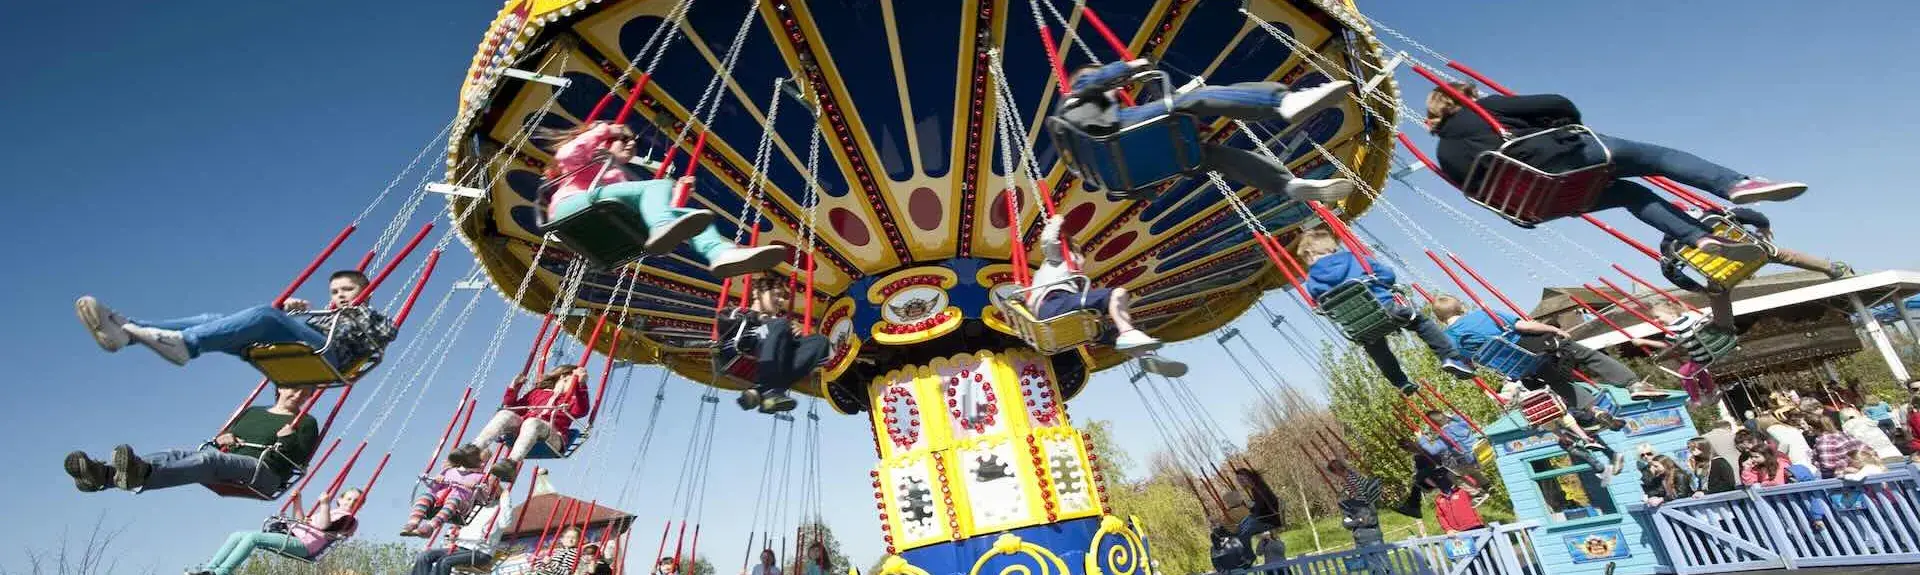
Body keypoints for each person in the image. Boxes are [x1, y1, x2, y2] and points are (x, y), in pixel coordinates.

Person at [1425, 82, 1805, 262]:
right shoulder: (1484, 109)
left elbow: (1479, 193)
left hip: (1542, 201)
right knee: (1656, 157)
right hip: (1569, 160)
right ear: (1463, 98)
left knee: (1630, 194)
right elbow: (1559, 102)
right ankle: (1736, 184)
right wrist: (1560, 120)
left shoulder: (1445, 154)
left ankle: (1698, 239)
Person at [1055, 59, 1358, 202]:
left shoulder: (1074, 133)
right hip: (1120, 136)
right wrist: (1132, 66)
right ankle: (1283, 102)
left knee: (1212, 157)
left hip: (1132, 174)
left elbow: (1138, 193)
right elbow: (1092, 81)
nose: (1117, 93)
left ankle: (1287, 186)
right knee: (1193, 99)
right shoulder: (1078, 96)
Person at [538, 121, 788, 278]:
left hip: (605, 213)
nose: (631, 143)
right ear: (604, 141)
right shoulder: (586, 160)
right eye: (624, 139)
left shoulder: (619, 179)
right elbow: (567, 154)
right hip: (572, 207)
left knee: (695, 218)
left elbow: (654, 211)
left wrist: (679, 194)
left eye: (633, 143)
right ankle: (662, 229)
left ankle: (721, 254)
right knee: (657, 187)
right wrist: (603, 130)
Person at [74, 270, 397, 371]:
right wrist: (294, 313)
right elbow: (295, 329)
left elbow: (386, 334)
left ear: (365, 291)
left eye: (347, 290)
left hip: (328, 357)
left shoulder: (373, 317)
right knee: (212, 318)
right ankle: (127, 331)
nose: (340, 295)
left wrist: (352, 311)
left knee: (264, 314)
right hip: (298, 347)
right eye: (335, 290)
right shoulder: (322, 314)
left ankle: (187, 344)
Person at [1432, 295, 1654, 429]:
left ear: (1440, 318)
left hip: (1518, 368)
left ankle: (1595, 411)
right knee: (1587, 355)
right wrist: (1552, 327)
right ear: (1460, 306)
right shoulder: (1482, 315)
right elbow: (1524, 326)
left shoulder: (1448, 339)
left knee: (1558, 383)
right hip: (1535, 347)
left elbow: (1467, 365)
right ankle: (1633, 384)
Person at [1294, 229, 1474, 395]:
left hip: (1357, 325)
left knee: (1375, 346)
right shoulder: (1353, 258)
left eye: (1305, 259)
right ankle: (1450, 357)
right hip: (1385, 309)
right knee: (1420, 322)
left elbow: (1322, 304)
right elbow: (1387, 275)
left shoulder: (1312, 281)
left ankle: (1400, 382)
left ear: (1310, 254)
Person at [65, 385, 320, 495]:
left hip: (265, 473)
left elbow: (299, 461)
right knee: (174, 454)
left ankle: (140, 475)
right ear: (279, 388)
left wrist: (287, 440)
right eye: (292, 387)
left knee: (209, 461)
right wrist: (224, 437)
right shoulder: (253, 412)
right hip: (231, 460)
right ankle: (104, 476)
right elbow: (221, 439)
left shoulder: (306, 422)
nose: (297, 393)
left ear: (309, 395)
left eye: (304, 391)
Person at [1024, 214, 1186, 377]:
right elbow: (1048, 241)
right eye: (1079, 258)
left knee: (1106, 330)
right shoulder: (1057, 257)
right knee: (1118, 293)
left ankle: (1144, 355)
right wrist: (1055, 222)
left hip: (1058, 313)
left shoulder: (1068, 281)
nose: (1081, 264)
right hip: (1054, 304)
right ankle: (1128, 333)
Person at [188, 489, 360, 575]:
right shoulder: (331, 511)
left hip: (306, 546)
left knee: (253, 538)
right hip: (293, 536)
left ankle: (222, 572)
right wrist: (297, 502)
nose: (351, 503)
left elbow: (322, 526)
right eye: (349, 498)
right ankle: (209, 570)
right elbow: (301, 521)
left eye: (356, 501)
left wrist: (324, 504)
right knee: (238, 534)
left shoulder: (348, 519)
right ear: (340, 499)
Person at [728, 272, 830, 414]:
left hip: (773, 355)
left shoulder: (777, 325)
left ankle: (762, 391)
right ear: (757, 293)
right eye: (777, 295)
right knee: (780, 323)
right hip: (746, 342)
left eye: (783, 297)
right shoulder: (740, 314)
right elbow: (729, 329)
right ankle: (770, 391)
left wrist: (795, 338)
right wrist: (768, 322)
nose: (781, 301)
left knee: (820, 341)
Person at [468, 365, 590, 481]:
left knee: (533, 422)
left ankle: (510, 463)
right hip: (525, 429)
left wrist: (581, 385)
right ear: (563, 376)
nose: (574, 386)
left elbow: (581, 410)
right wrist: (513, 388)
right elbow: (512, 407)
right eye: (574, 381)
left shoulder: (573, 399)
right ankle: (474, 449)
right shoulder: (537, 393)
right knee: (505, 414)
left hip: (553, 438)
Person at [408, 487, 516, 575]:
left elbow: (506, 522)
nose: (486, 491)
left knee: (444, 561)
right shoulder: (476, 506)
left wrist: (505, 496)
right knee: (425, 555)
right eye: (485, 489)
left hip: (480, 552)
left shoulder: (501, 508)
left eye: (489, 489)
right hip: (460, 548)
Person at [402, 444, 495, 537]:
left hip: (460, 504)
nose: (483, 465)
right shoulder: (449, 471)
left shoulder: (480, 477)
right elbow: (434, 487)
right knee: (425, 496)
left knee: (453, 500)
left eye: (485, 463)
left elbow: (484, 499)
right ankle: (413, 522)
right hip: (439, 500)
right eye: (480, 461)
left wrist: (480, 488)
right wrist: (432, 480)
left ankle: (430, 527)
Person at [1416, 410, 1490, 498]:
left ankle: (1477, 494)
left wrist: (1421, 438)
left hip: (1472, 461)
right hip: (1482, 455)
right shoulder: (1461, 424)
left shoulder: (1445, 437)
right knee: (1468, 468)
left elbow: (1432, 450)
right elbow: (1463, 418)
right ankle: (1487, 485)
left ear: (1433, 425)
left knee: (1452, 475)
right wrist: (1451, 415)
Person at [1229, 467, 1285, 552]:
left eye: (1241, 479)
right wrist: (1251, 509)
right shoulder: (1255, 487)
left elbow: (1262, 508)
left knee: (1245, 532)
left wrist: (1252, 510)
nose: (1240, 482)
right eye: (1238, 480)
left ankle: (1248, 555)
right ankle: (1242, 552)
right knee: (1241, 526)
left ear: (1247, 477)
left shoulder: (1259, 488)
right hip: (1265, 517)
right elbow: (1260, 507)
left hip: (1270, 520)